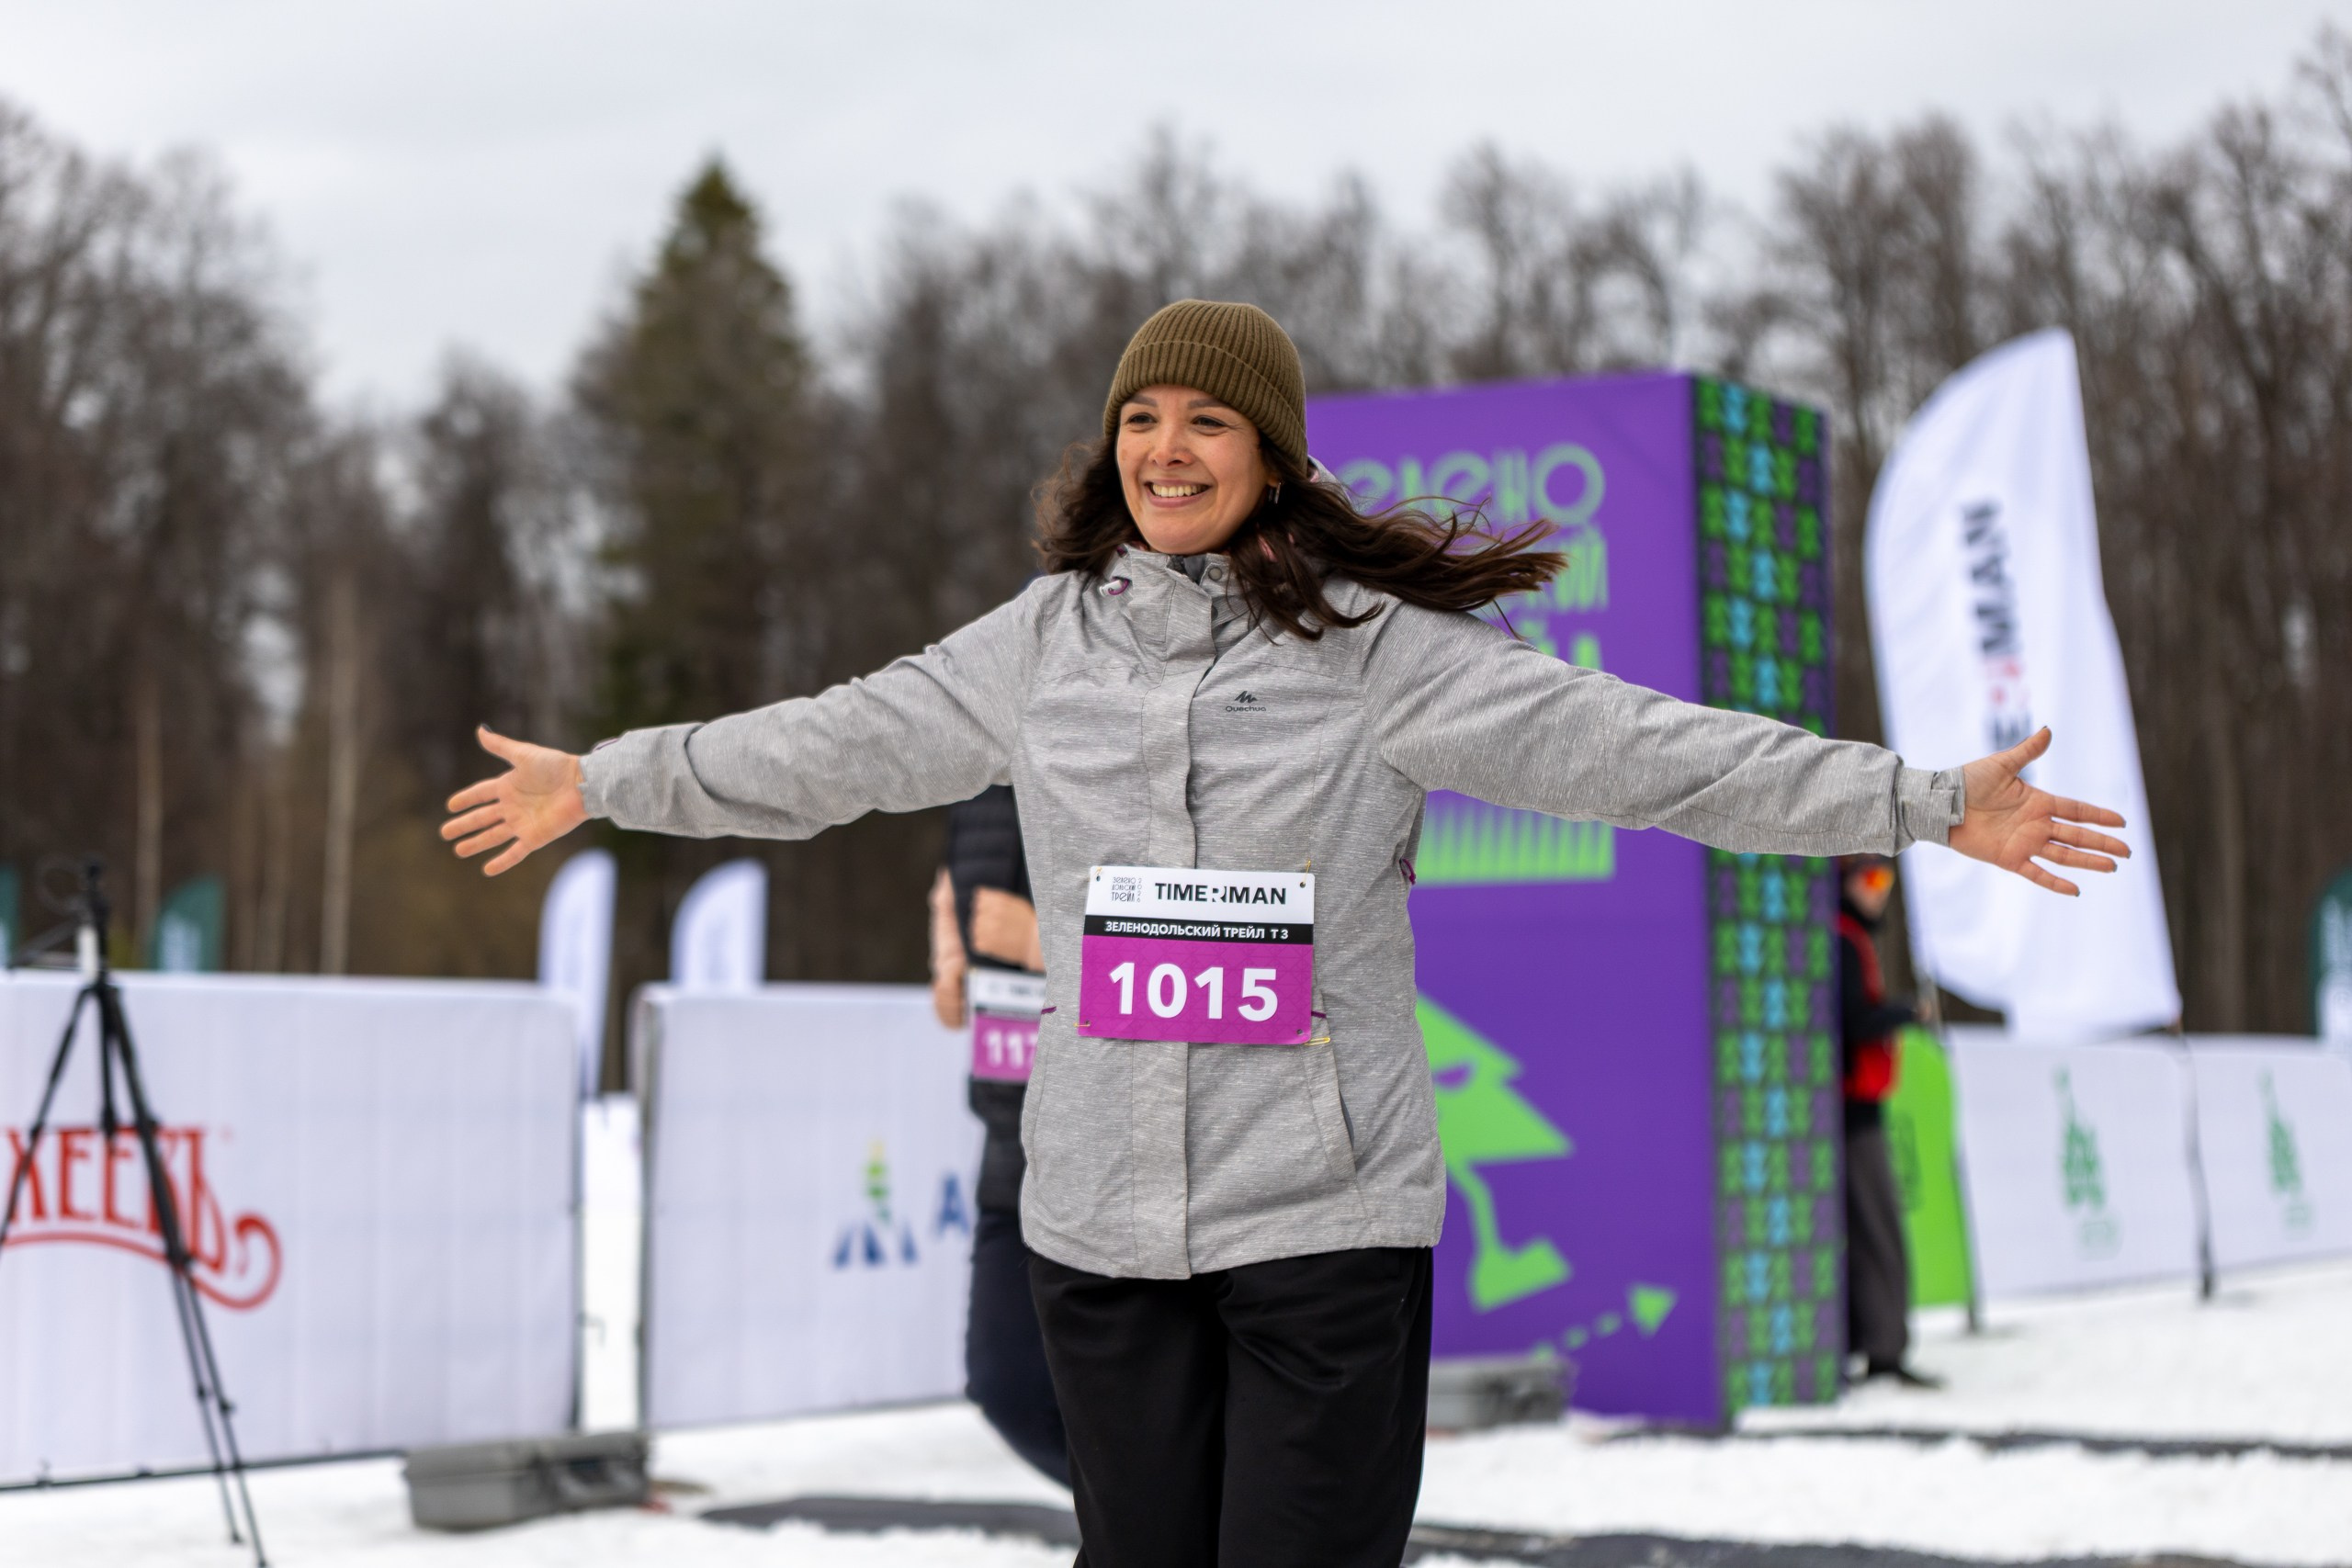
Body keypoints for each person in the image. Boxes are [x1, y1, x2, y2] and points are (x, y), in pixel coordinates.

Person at [442, 299, 2131, 1568]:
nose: (1166, 448)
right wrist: (604, 779)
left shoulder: (1375, 654)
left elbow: (1644, 751)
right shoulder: (1040, 645)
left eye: (1207, 420)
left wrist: (1920, 799)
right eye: (1141, 417)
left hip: (1320, 1217)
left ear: (1271, 454)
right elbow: (829, 745)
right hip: (1102, 1225)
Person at [928, 784, 1069, 1481]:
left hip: (1115, 1141)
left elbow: (1200, 922)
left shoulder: (1118, 735)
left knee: (1147, 1401)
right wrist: (948, 952)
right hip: (1009, 1133)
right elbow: (958, 882)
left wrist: (1042, 942)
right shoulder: (979, 756)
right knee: (1008, 1387)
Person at [1837, 852, 1939, 1389]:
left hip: (1849, 1110)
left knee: (1863, 1232)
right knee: (1877, 1232)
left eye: (1886, 878)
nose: (1880, 890)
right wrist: (1906, 1012)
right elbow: (1852, 1021)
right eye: (1870, 878)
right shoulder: (1842, 938)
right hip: (1852, 1115)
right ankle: (1883, 1350)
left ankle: (1869, 1345)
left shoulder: (1846, 936)